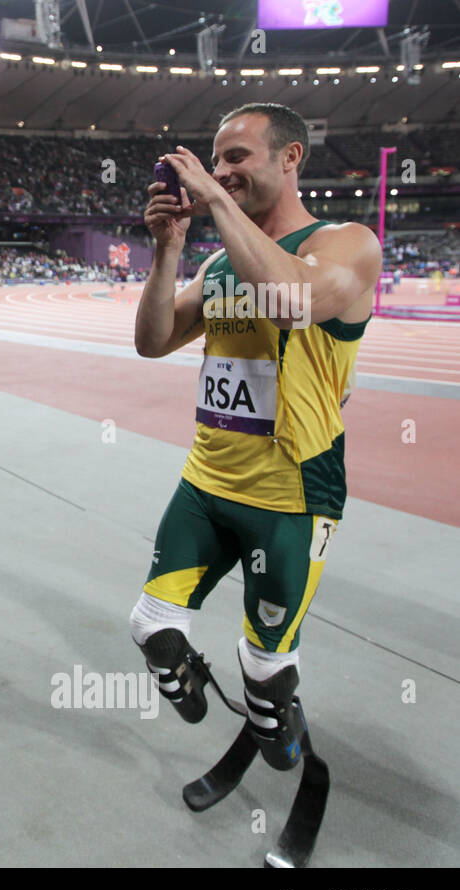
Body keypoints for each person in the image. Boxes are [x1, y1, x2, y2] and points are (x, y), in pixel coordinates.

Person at [129, 102, 381, 770]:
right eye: (216, 162)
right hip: (207, 481)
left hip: (294, 493)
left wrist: (213, 201)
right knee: (151, 625)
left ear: (289, 158)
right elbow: (151, 342)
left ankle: (276, 719)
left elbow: (293, 297)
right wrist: (167, 253)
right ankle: (214, 693)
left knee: (265, 664)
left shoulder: (346, 243)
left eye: (236, 158)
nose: (221, 172)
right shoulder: (217, 268)